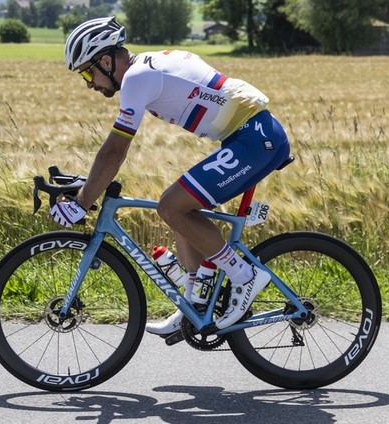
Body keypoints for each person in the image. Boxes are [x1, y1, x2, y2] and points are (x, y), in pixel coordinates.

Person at [51, 16, 291, 334]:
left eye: (86, 72)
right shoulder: (145, 68)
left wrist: (82, 201)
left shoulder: (137, 78)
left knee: (171, 206)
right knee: (179, 208)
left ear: (106, 60)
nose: (89, 83)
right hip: (249, 136)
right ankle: (195, 303)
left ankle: (245, 276)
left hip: (255, 139)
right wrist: (89, 185)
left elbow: (114, 150)